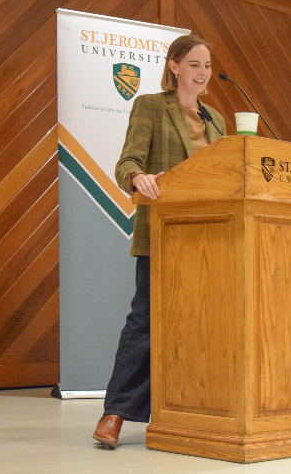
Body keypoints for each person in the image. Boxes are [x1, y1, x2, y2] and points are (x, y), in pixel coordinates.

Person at [92, 35, 226, 449]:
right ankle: (115, 413)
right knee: (146, 322)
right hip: (165, 234)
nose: (202, 73)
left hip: (214, 237)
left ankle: (196, 411)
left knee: (204, 325)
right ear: (174, 66)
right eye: (194, 65)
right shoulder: (152, 105)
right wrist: (138, 178)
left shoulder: (218, 120)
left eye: (206, 66)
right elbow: (128, 160)